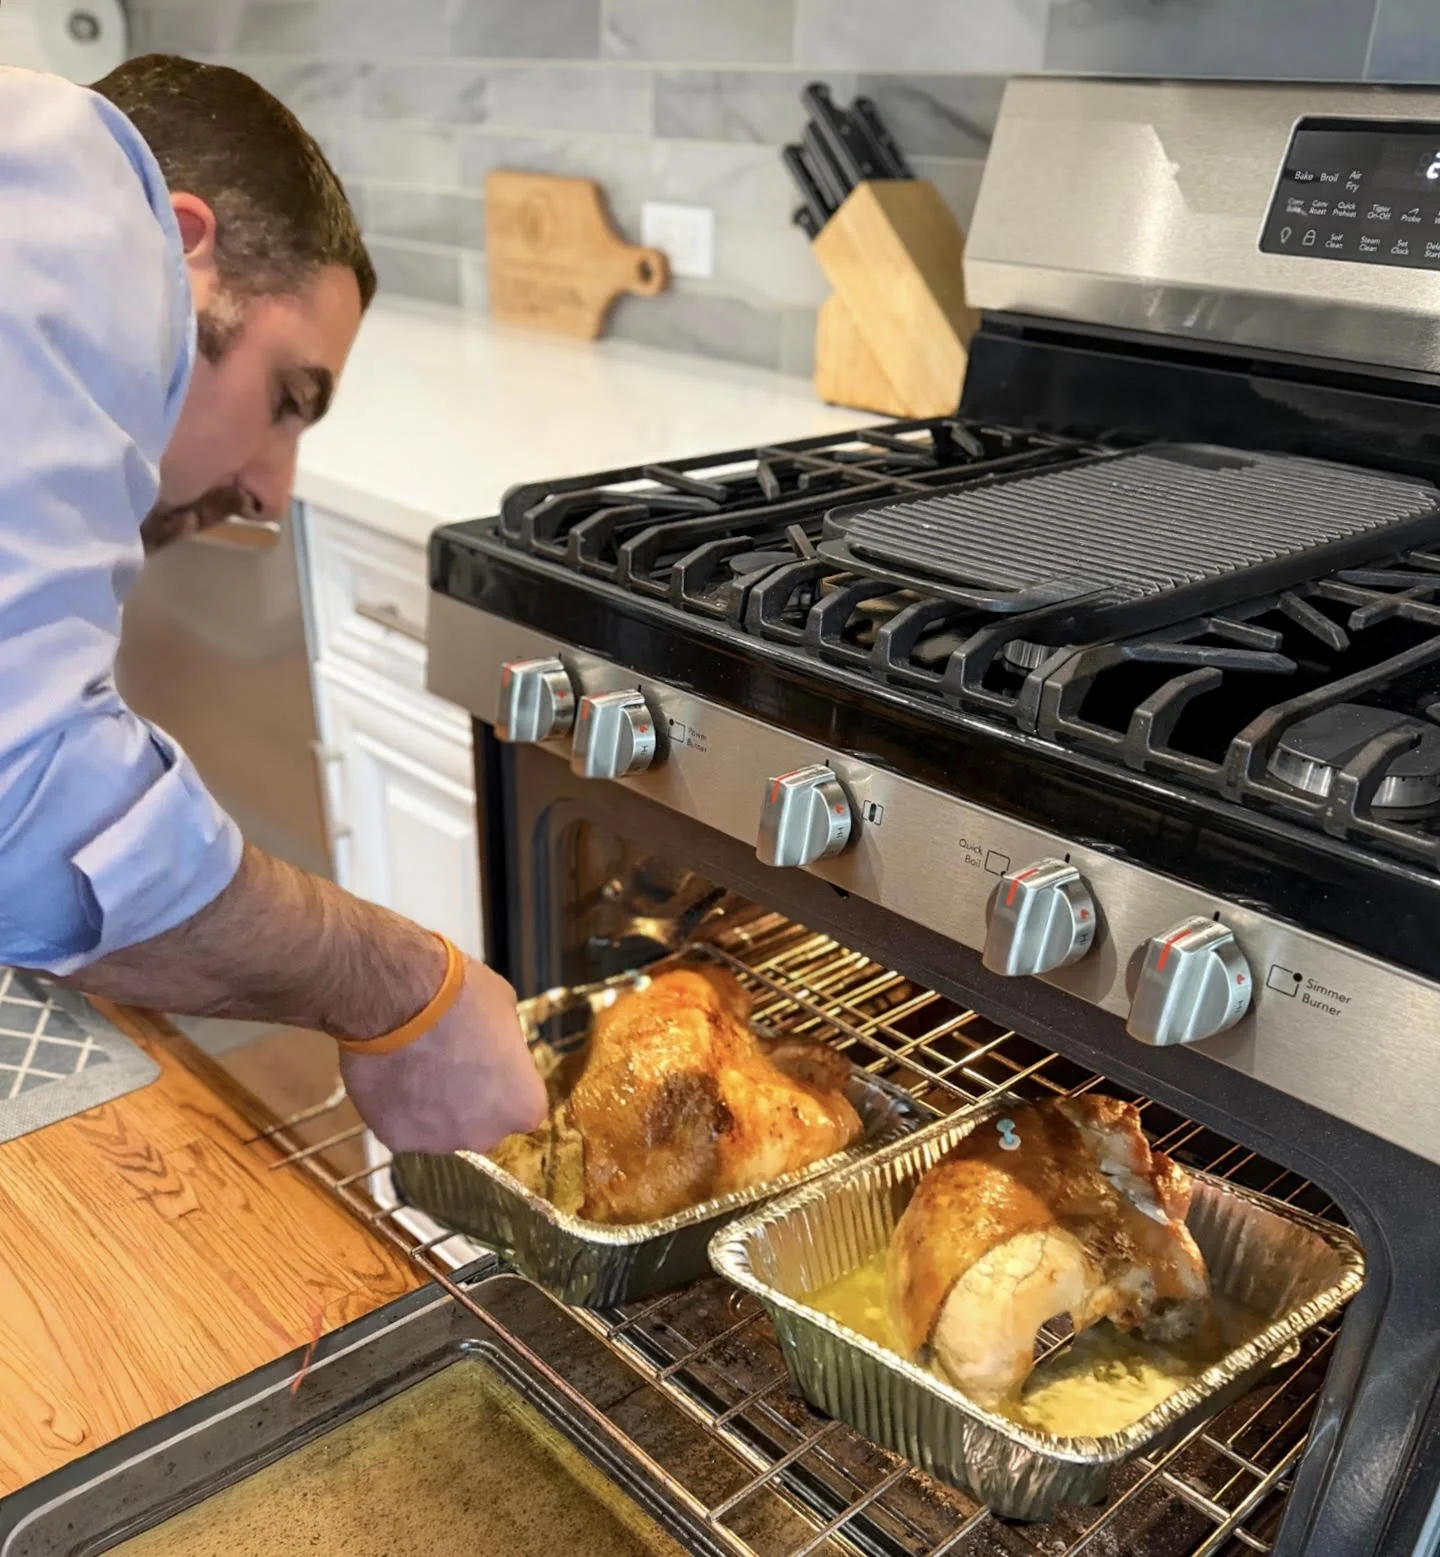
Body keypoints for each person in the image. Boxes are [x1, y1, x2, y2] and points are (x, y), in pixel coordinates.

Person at [0, 55, 546, 1153]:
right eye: (287, 400)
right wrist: (411, 992)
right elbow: (31, 809)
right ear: (182, 246)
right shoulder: (68, 180)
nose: (270, 486)